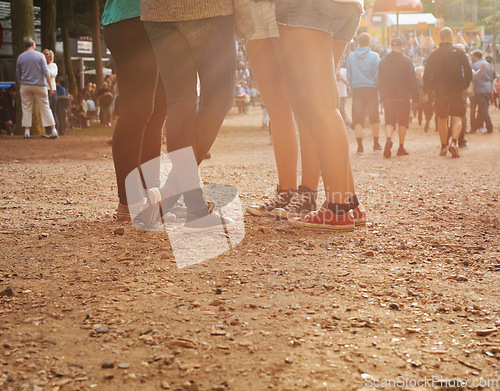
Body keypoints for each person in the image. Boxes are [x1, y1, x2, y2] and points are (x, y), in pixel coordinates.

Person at [139, 1, 252, 232]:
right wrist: (245, 20)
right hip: (208, 9)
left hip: (158, 12)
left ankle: (193, 206)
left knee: (179, 103)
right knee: (219, 100)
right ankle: (175, 196)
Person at [271, 0, 366, 231]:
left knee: (319, 106)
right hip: (348, 7)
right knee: (322, 103)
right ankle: (349, 204)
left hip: (306, 7)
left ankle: (337, 210)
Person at [245, 0, 320, 219]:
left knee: (303, 105)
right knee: (276, 107)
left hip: (288, 6)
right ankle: (286, 192)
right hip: (249, 9)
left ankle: (307, 194)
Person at [101, 0, 168, 222]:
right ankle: (129, 202)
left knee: (157, 112)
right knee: (138, 111)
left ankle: (151, 193)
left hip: (143, 20)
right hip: (134, 20)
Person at [423, 27, 472, 158]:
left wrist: (433, 88)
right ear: (451, 37)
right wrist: (463, 85)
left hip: (441, 91)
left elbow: (426, 76)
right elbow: (468, 72)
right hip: (456, 90)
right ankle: (454, 143)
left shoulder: (434, 54)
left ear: (440, 37)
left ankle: (443, 146)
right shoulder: (459, 52)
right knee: (457, 117)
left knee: (442, 118)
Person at [378, 38, 419, 158]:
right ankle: (401, 147)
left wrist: (382, 96)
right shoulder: (406, 60)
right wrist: (415, 98)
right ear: (401, 46)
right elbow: (412, 81)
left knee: (389, 120)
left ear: (391, 46)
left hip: (388, 96)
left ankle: (389, 139)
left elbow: (380, 80)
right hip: (403, 96)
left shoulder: (383, 61)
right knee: (402, 122)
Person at [16, 36, 58, 139]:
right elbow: (45, 72)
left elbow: (18, 74)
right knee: (45, 107)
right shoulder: (40, 56)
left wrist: (20, 86)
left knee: (26, 108)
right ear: (33, 44)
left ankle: (27, 131)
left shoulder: (20, 57)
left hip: (25, 85)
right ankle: (53, 130)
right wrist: (51, 87)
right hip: (39, 85)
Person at [346, 32, 382, 154]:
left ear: (358, 43)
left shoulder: (351, 57)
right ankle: (376, 144)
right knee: (374, 117)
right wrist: (378, 87)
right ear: (369, 42)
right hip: (371, 88)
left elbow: (349, 75)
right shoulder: (375, 56)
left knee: (357, 118)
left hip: (357, 89)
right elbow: (378, 74)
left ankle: (360, 147)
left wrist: (352, 86)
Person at [470, 50, 494, 134]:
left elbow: (474, 80)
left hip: (478, 90)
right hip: (487, 89)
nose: (473, 58)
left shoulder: (475, 65)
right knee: (482, 110)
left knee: (483, 110)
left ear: (476, 57)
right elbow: (491, 78)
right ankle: (474, 128)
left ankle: (489, 127)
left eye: (473, 56)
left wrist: (472, 91)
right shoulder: (488, 64)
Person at [42, 49, 59, 137]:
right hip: (44, 90)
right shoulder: (42, 66)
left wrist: (44, 70)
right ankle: (48, 131)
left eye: (46, 54)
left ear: (50, 56)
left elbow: (53, 74)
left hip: (52, 90)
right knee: (45, 111)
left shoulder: (53, 65)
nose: (44, 56)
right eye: (43, 54)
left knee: (52, 110)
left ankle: (56, 130)